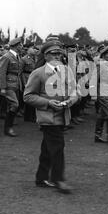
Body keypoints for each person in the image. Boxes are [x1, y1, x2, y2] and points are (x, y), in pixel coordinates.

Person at [24, 40, 78, 194]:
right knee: (58, 146)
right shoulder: (38, 73)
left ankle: (41, 178)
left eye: (59, 53)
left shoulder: (67, 70)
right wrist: (48, 103)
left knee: (48, 148)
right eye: (53, 53)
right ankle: (58, 179)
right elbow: (27, 96)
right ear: (45, 56)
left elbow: (75, 91)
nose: (57, 56)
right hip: (48, 117)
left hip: (63, 114)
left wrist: (70, 101)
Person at [0, 37, 24, 137]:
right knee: (15, 105)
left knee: (14, 106)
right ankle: (8, 128)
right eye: (20, 45)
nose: (22, 47)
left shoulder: (17, 56)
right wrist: (2, 87)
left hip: (16, 84)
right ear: (16, 46)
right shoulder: (7, 57)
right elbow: (2, 73)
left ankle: (9, 127)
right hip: (9, 84)